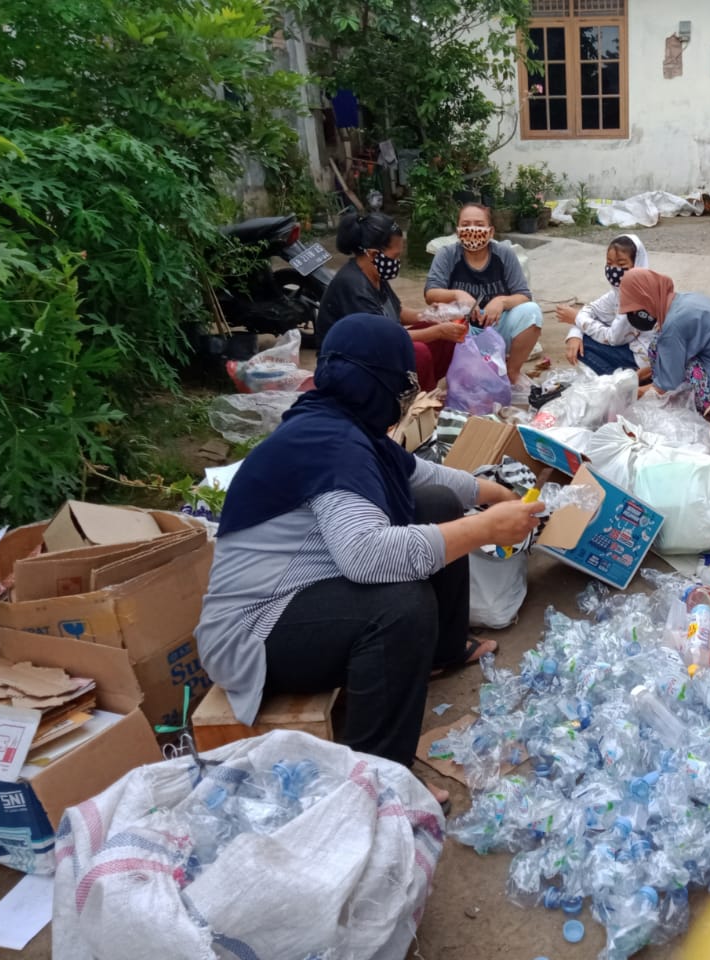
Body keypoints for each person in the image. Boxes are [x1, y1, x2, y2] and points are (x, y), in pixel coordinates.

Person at [196, 314, 544, 804]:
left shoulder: (339, 424)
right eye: (405, 383)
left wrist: (500, 496)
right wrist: (484, 528)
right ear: (376, 382)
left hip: (297, 595)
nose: (408, 396)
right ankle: (380, 782)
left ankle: (442, 653)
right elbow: (365, 556)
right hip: (254, 629)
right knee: (401, 605)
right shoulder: (332, 443)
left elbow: (427, 478)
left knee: (439, 506)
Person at [315, 211, 465, 391]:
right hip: (348, 365)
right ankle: (417, 406)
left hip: (376, 349)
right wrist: (438, 331)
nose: (398, 262)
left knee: (446, 336)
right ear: (372, 254)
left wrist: (430, 315)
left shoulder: (374, 274)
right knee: (419, 352)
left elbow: (396, 311)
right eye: (395, 257)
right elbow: (385, 338)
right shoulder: (353, 286)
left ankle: (422, 392)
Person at [424, 203, 543, 390]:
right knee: (434, 316)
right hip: (461, 329)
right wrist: (457, 294)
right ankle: (458, 373)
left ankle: (512, 373)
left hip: (496, 326)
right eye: (466, 224)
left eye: (479, 225)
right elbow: (430, 294)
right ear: (457, 231)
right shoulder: (447, 255)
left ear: (491, 231)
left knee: (532, 312)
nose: (472, 230)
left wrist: (501, 301)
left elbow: (523, 295)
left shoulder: (504, 254)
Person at [618, 268, 710, 410]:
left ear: (647, 297)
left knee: (670, 376)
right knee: (659, 346)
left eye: (634, 309)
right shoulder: (683, 300)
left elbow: (665, 389)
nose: (633, 315)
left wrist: (624, 394)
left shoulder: (673, 326)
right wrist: (635, 377)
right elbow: (668, 360)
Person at [557, 233, 654, 376]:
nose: (613, 270)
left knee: (585, 345)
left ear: (637, 264)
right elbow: (591, 309)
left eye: (621, 264)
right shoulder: (619, 292)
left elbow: (614, 338)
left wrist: (577, 319)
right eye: (609, 264)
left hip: (645, 359)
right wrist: (575, 333)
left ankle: (622, 384)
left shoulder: (637, 296)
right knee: (583, 334)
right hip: (632, 348)